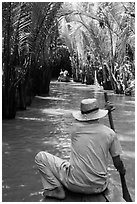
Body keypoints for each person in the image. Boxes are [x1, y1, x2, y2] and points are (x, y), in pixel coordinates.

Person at [35, 98, 126, 200]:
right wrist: (122, 170)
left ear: (82, 115)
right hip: (99, 186)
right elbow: (117, 163)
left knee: (40, 157)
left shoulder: (74, 129)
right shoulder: (110, 133)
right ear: (99, 114)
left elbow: (83, 120)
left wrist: (104, 110)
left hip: (74, 184)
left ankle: (55, 189)